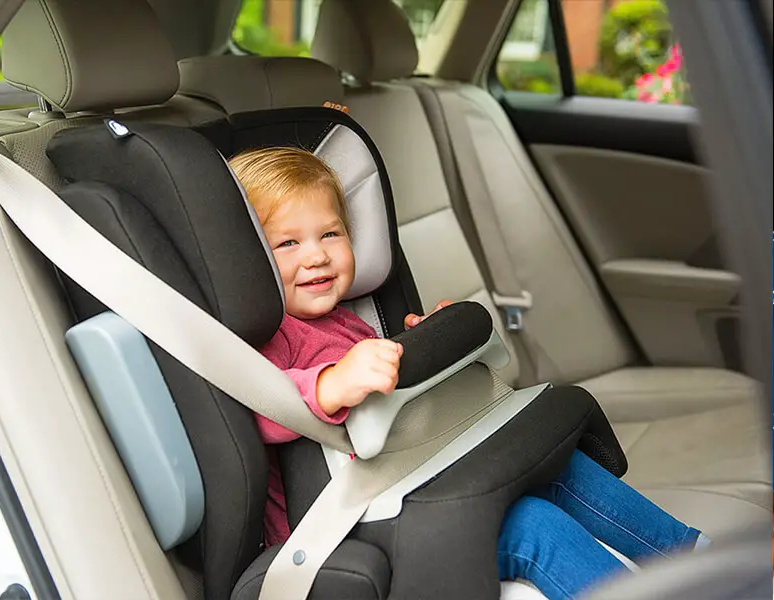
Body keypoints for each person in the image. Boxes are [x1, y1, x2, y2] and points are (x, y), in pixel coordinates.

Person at [229, 146, 709, 600]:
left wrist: (420, 346)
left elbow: (395, 398)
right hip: (351, 523)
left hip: (421, 481)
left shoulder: (344, 321)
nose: (316, 256)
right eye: (287, 242)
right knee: (532, 525)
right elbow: (260, 410)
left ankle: (694, 560)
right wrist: (329, 385)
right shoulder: (268, 340)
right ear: (247, 264)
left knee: (558, 464)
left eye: (330, 234)